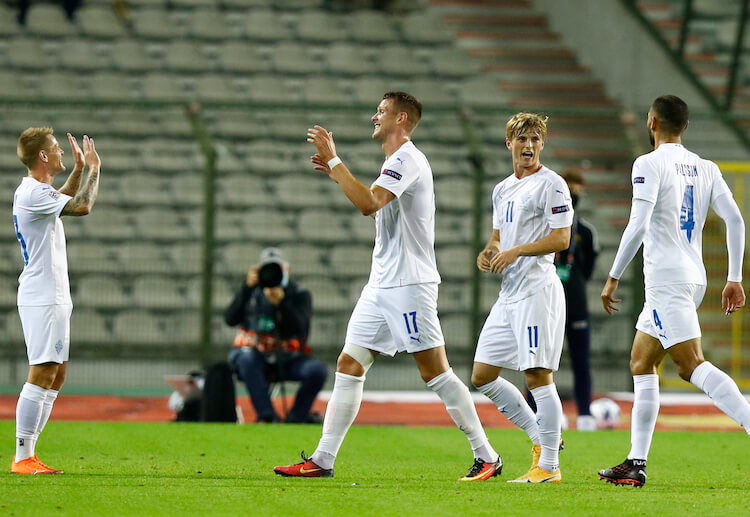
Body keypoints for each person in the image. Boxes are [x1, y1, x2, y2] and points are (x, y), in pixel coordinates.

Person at [274, 91, 502, 481]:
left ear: (401, 120)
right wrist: (336, 171)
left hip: (409, 284)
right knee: (349, 365)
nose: (374, 117)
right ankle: (323, 458)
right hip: (381, 284)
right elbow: (369, 200)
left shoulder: (408, 159)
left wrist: (334, 159)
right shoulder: (393, 162)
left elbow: (368, 203)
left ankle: (487, 455)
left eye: (381, 112)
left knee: (435, 373)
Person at [598, 95, 750, 487]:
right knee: (641, 363)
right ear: (686, 126)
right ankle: (635, 462)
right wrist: (734, 277)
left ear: (652, 123)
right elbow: (734, 219)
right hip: (693, 277)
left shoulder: (648, 164)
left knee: (690, 365)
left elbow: (638, 223)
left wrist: (614, 275)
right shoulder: (707, 167)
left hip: (666, 279)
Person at [471, 113, 573, 484]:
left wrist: (516, 253)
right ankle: (542, 439)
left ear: (542, 144)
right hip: (508, 294)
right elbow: (498, 236)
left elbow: (562, 239)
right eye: (521, 139)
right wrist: (491, 250)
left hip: (536, 290)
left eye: (535, 139)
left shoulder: (553, 185)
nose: (528, 145)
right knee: (482, 375)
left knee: (537, 376)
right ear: (508, 144)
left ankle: (548, 466)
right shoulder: (502, 189)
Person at [11, 128, 101, 474]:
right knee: (43, 370)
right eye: (57, 149)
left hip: (53, 294)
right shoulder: (31, 192)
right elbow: (81, 205)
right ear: (43, 157)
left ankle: (30, 454)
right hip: (42, 295)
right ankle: (22, 456)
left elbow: (61, 198)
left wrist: (78, 169)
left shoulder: (38, 192)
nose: (63, 152)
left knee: (57, 373)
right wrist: (94, 168)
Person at [525, 169, 599, 431]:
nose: (575, 195)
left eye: (579, 190)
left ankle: (585, 414)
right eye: (571, 190)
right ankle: (533, 412)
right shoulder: (543, 229)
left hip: (576, 303)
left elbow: (589, 268)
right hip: (544, 301)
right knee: (537, 358)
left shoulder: (586, 232)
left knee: (581, 359)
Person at [225, 247, 327, 424]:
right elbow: (230, 319)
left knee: (317, 371)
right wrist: (246, 289)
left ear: (287, 270)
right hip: (255, 359)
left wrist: (282, 303)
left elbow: (301, 329)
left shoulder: (299, 295)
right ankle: (268, 416)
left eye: (277, 269)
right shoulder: (251, 293)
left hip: (289, 359)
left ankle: (297, 418)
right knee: (246, 359)